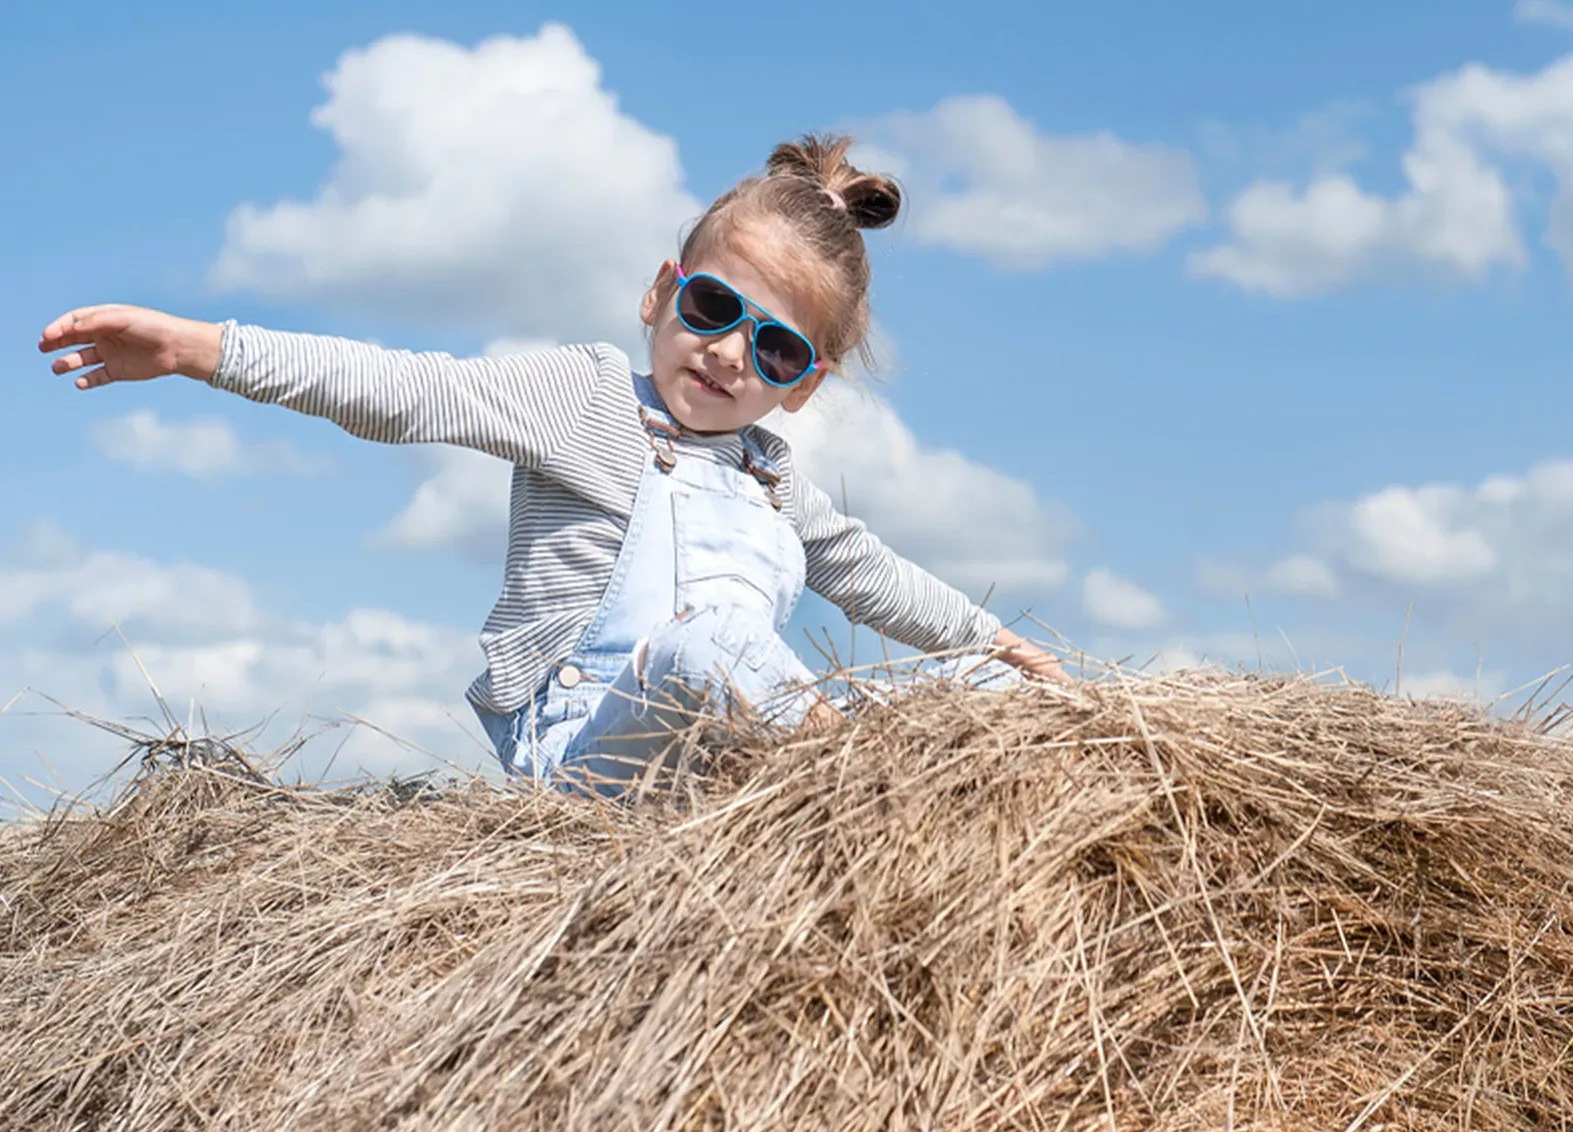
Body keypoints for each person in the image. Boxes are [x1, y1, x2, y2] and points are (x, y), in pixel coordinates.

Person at [39, 134, 1065, 796]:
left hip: (726, 760)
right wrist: (201, 347)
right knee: (705, 639)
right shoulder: (586, 401)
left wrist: (1013, 656)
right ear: (662, 293)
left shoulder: (769, 476)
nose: (725, 351)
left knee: (977, 683)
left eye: (775, 347)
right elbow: (405, 387)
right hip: (591, 756)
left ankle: (841, 780)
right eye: (713, 307)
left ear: (803, 382)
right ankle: (850, 795)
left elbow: (875, 574)